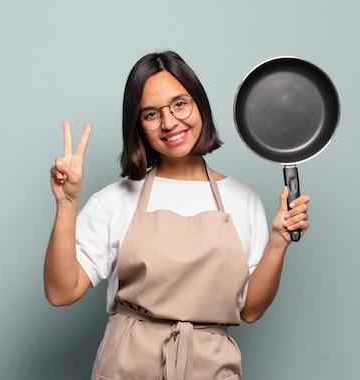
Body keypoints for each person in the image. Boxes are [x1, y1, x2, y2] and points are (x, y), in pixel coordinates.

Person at [44, 51, 310, 380]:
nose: (169, 123)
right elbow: (60, 292)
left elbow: (251, 309)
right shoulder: (116, 200)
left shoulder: (243, 200)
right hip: (125, 368)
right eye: (151, 114)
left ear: (199, 104)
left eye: (180, 104)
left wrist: (278, 242)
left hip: (211, 369)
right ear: (138, 126)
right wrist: (67, 206)